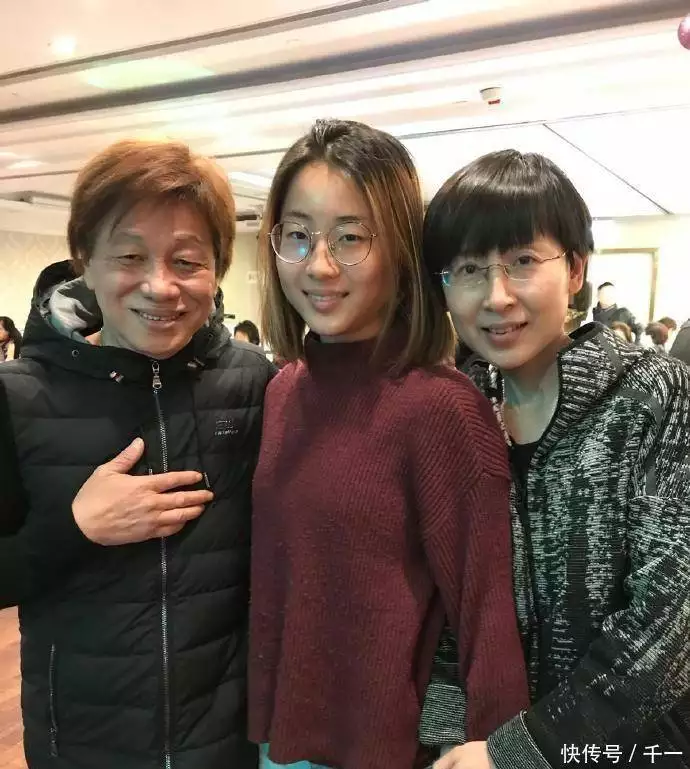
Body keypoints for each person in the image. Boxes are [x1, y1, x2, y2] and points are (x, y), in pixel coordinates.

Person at [248, 119, 528, 769]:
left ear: (399, 248)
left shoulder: (440, 406)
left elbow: (485, 608)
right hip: (280, 739)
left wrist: (499, 747)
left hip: (384, 747)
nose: (320, 264)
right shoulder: (284, 388)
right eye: (298, 235)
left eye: (350, 237)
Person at [0, 139, 274, 769]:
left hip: (225, 744)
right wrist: (74, 528)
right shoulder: (18, 397)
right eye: (129, 256)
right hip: (82, 746)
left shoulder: (252, 384)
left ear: (217, 269)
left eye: (187, 261)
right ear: (85, 262)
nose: (160, 286)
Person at [420, 149, 690, 769]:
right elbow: (450, 599)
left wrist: (528, 748)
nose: (496, 297)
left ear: (574, 269)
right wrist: (452, 737)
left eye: (522, 261)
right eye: (468, 269)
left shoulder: (654, 396)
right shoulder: (461, 409)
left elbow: (671, 617)